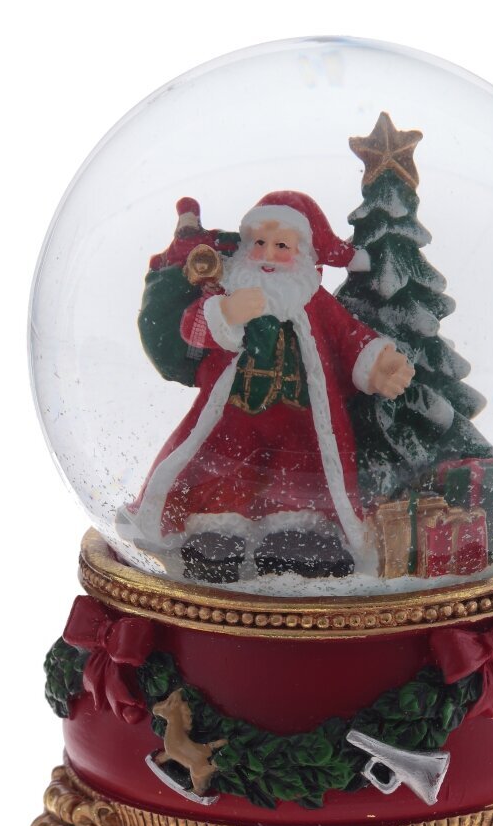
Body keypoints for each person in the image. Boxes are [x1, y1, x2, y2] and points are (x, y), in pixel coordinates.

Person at [116, 191, 414, 579]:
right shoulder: (228, 291)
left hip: (300, 425)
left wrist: (380, 364)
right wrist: (225, 313)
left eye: (281, 246)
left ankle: (295, 537)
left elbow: (349, 338)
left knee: (297, 481)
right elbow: (192, 328)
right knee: (223, 475)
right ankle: (217, 538)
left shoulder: (313, 300)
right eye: (259, 243)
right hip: (231, 420)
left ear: (303, 253)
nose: (268, 255)